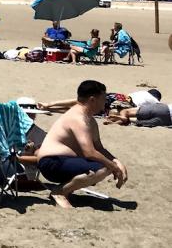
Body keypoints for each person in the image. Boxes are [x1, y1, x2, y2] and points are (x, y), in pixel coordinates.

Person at [36, 79, 129, 208]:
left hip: (62, 161)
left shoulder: (89, 120)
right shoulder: (78, 118)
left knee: (104, 165)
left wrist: (118, 162)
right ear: (92, 100)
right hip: (51, 163)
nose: (105, 103)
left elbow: (99, 148)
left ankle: (67, 189)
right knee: (102, 168)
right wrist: (113, 166)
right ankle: (60, 192)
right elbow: (89, 152)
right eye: (103, 99)